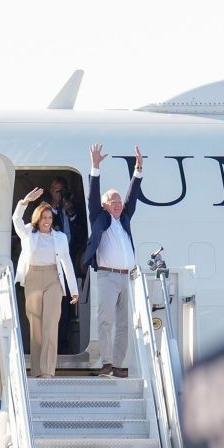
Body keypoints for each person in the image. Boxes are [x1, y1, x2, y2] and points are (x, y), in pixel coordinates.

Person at [81, 143, 143, 378]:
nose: (118, 205)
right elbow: (93, 196)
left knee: (124, 324)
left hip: (127, 276)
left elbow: (132, 196)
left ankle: (118, 365)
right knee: (106, 321)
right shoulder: (99, 217)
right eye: (113, 202)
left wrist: (137, 170)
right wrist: (95, 168)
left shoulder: (124, 218)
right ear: (105, 206)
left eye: (119, 202)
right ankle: (106, 362)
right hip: (107, 276)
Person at [13, 188, 79, 378]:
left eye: (50, 217)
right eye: (44, 217)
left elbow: (67, 262)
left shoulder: (60, 237)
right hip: (33, 278)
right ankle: (36, 371)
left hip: (53, 279)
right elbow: (15, 220)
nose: (47, 221)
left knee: (51, 325)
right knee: (36, 326)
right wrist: (24, 202)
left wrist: (73, 290)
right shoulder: (27, 233)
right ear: (37, 219)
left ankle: (48, 371)